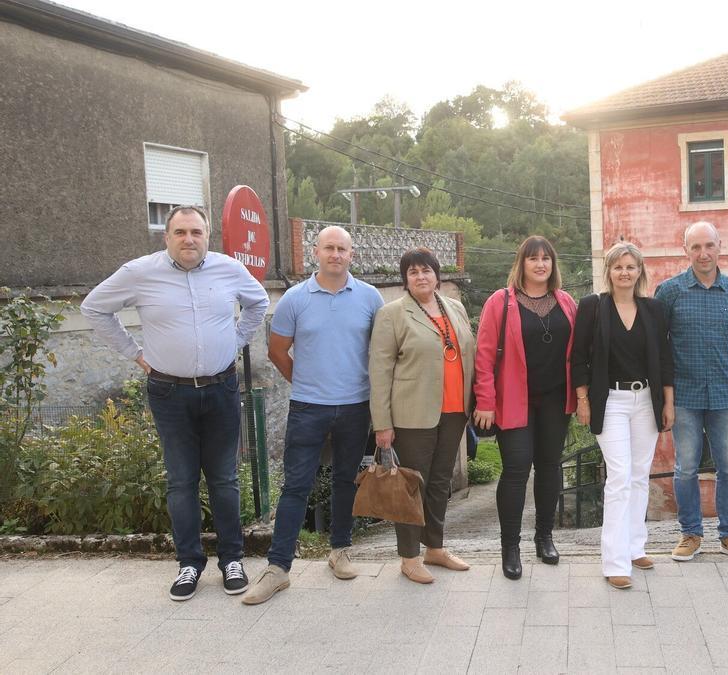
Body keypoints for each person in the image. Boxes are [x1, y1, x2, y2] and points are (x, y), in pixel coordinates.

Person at [80, 205, 267, 601]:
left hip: (221, 389)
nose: (189, 239)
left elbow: (258, 304)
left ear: (207, 236)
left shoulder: (228, 269)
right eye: (180, 232)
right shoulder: (139, 272)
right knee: (181, 481)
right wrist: (134, 352)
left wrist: (234, 342)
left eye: (196, 232)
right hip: (169, 392)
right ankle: (188, 564)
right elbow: (94, 308)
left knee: (225, 479)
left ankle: (232, 559)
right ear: (166, 237)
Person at [242, 226, 383, 605]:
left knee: (345, 481)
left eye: (342, 249)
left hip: (356, 406)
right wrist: (304, 382)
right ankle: (278, 569)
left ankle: (339, 550)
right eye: (329, 248)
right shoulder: (294, 299)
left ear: (351, 255)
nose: (335, 254)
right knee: (296, 486)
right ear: (315, 253)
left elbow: (382, 354)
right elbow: (276, 351)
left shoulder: (370, 298)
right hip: (307, 407)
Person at [369, 247, 476, 584]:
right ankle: (409, 557)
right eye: (413, 272)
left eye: (426, 270)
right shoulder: (392, 314)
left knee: (440, 482)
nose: (421, 277)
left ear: (437, 274)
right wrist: (382, 424)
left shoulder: (454, 307)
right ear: (405, 279)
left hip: (454, 410)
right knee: (412, 485)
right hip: (412, 413)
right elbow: (380, 370)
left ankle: (435, 547)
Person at [473, 236, 578, 580]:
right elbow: (484, 357)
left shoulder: (565, 302)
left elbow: (578, 354)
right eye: (533, 258)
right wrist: (485, 403)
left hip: (555, 401)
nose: (540, 264)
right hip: (513, 401)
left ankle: (544, 537)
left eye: (546, 258)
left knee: (549, 467)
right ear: (522, 264)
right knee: (517, 469)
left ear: (552, 264)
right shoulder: (499, 303)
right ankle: (510, 547)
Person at [571, 243, 674, 589]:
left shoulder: (653, 309)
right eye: (618, 267)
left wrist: (667, 402)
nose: (625, 273)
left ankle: (634, 547)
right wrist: (582, 399)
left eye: (631, 267)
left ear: (639, 272)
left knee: (639, 476)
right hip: (610, 400)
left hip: (646, 399)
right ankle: (614, 562)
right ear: (609, 272)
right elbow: (577, 358)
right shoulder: (592, 307)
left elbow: (665, 359)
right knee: (619, 475)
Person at [654, 222, 728, 563]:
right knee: (685, 469)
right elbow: (659, 344)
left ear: (719, 247)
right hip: (684, 395)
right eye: (696, 247)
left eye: (709, 246)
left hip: (725, 394)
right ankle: (690, 534)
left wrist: (725, 365)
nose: (703, 253)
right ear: (686, 250)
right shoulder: (669, 292)